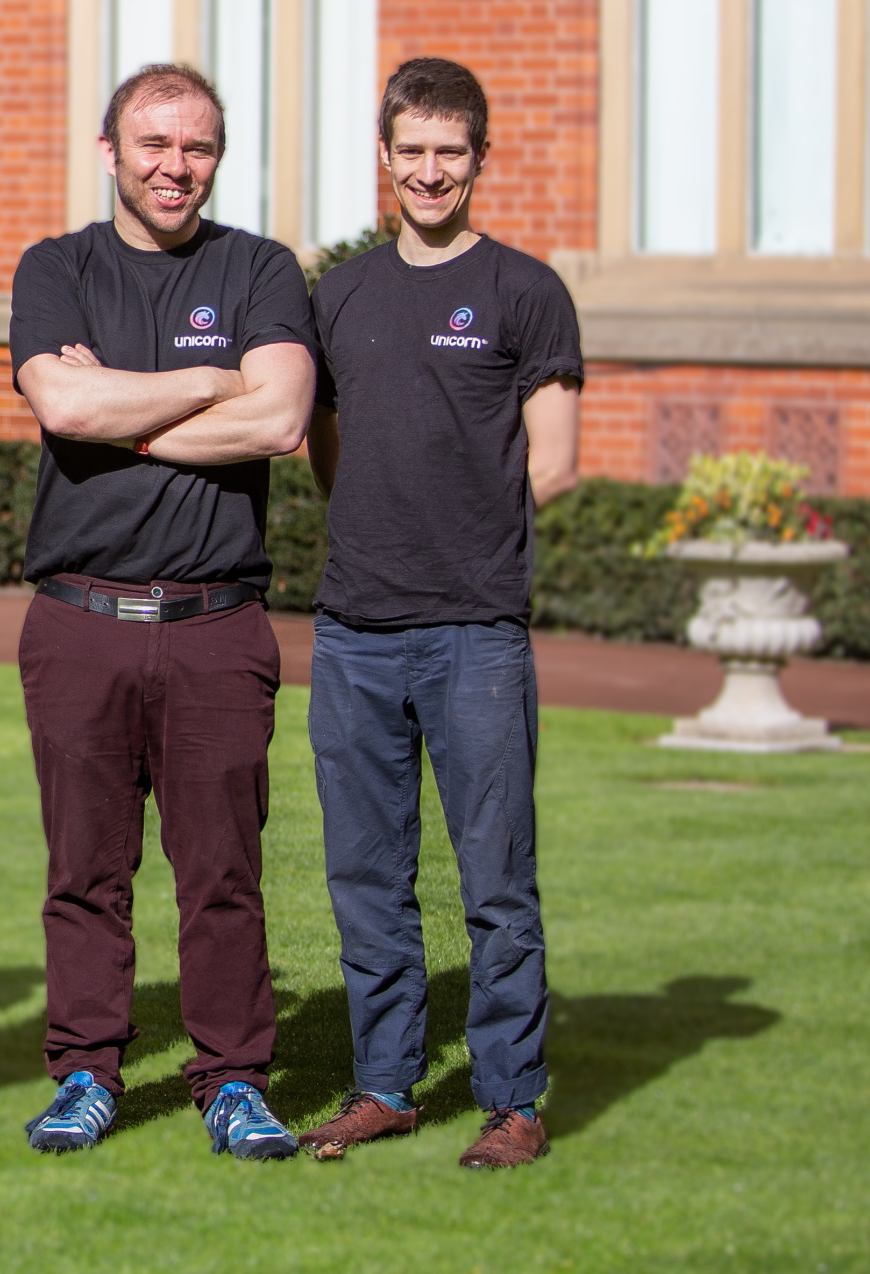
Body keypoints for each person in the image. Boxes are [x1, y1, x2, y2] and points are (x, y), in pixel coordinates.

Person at [9, 62, 316, 1162]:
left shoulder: (262, 268)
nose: (174, 166)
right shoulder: (57, 267)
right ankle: (86, 1071)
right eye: (154, 143)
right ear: (110, 151)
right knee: (84, 871)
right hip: (79, 621)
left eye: (196, 148)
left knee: (223, 874)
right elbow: (59, 401)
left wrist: (123, 413)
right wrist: (210, 381)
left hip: (216, 624)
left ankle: (233, 1077)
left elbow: (281, 419)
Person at [297, 59, 581, 1172]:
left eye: (449, 153)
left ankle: (512, 1099)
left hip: (476, 632)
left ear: (479, 160)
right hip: (354, 628)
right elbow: (324, 445)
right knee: (367, 875)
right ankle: (385, 1086)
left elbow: (551, 465)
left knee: (496, 880)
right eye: (410, 150)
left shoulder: (525, 291)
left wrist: (451, 523)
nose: (429, 171)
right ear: (385, 156)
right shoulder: (343, 295)